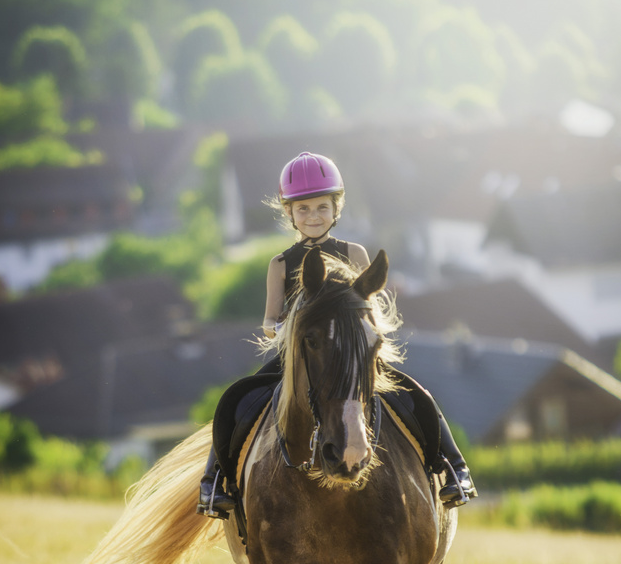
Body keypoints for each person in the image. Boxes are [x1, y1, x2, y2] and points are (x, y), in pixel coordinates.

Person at [197, 151, 477, 518]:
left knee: (417, 396)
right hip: (302, 357)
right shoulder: (279, 265)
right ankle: (215, 482)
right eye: (303, 209)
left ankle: (454, 469)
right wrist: (290, 328)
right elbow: (269, 320)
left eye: (321, 207)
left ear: (336, 208)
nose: (313, 216)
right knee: (236, 402)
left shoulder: (354, 252)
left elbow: (369, 306)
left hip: (353, 356)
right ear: (289, 213)